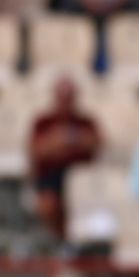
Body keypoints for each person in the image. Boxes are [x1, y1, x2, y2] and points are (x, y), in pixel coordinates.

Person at [29, 76, 101, 242]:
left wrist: (65, 140)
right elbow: (39, 150)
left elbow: (96, 142)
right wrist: (66, 142)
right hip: (52, 176)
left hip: (82, 177)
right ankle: (63, 241)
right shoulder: (43, 122)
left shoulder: (86, 121)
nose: (65, 102)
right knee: (47, 205)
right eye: (62, 97)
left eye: (69, 97)